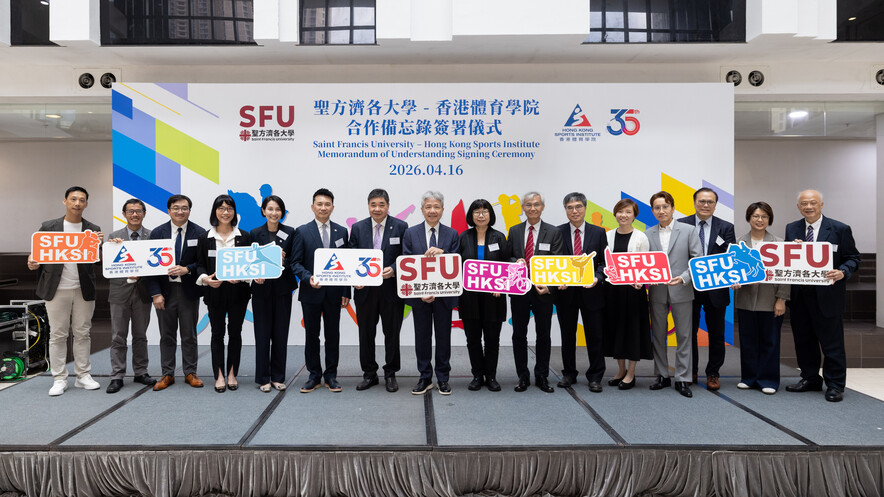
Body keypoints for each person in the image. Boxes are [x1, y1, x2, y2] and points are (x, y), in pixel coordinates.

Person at [784, 190, 860, 402]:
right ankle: (810, 378)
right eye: (804, 203)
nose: (808, 207)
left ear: (821, 205)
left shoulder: (839, 228)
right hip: (800, 296)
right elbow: (788, 259)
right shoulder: (791, 228)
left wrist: (843, 271)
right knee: (804, 341)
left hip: (828, 296)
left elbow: (853, 258)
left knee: (832, 344)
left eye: (813, 203)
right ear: (798, 207)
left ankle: (835, 385)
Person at [28, 186, 103, 396]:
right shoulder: (48, 226)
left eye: (82, 200)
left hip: (83, 289)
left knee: (83, 333)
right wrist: (32, 261)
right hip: (56, 289)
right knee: (57, 335)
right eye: (73, 199)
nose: (77, 203)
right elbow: (37, 254)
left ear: (86, 204)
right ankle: (59, 378)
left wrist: (100, 245)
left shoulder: (93, 229)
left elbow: (98, 261)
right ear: (65, 201)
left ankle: (83, 376)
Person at [291, 188, 351, 393]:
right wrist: (308, 278)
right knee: (312, 336)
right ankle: (314, 375)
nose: (323, 208)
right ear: (312, 207)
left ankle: (331, 375)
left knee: (333, 335)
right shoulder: (302, 231)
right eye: (319, 204)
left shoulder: (342, 231)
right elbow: (295, 262)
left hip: (335, 293)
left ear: (332, 207)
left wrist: (346, 291)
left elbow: (347, 264)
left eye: (327, 204)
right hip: (311, 293)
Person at [349, 188, 408, 393]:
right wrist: (355, 279)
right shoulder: (358, 228)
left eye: (381, 205)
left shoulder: (400, 226)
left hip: (391, 290)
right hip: (365, 291)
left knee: (392, 333)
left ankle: (390, 373)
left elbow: (405, 255)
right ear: (368, 206)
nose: (377, 209)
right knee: (366, 333)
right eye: (373, 205)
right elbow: (351, 257)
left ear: (388, 206)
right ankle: (369, 374)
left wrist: (394, 269)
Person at [402, 191, 460, 395]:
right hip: (421, 297)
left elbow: (457, 261)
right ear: (422, 209)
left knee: (443, 338)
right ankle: (424, 377)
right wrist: (419, 293)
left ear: (443, 210)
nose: (432, 211)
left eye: (436, 207)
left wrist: (444, 253)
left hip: (444, 297)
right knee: (422, 338)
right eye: (428, 207)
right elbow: (406, 264)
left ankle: (443, 378)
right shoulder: (411, 233)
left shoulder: (452, 234)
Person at [645, 191, 702, 398]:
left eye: (665, 207)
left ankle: (683, 378)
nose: (661, 211)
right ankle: (662, 375)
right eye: (657, 207)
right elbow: (643, 262)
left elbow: (697, 259)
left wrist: (685, 278)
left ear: (673, 208)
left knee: (684, 336)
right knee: (658, 336)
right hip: (657, 290)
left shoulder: (689, 230)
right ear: (653, 211)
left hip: (682, 289)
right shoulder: (647, 233)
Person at [678, 187, 736, 390]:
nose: (705, 205)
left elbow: (731, 256)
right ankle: (690, 371)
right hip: (688, 287)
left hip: (716, 289)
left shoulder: (726, 227)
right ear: (694, 202)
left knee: (717, 335)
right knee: (688, 333)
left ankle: (713, 373)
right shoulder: (681, 224)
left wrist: (735, 276)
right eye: (701, 201)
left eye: (710, 202)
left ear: (715, 205)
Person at [147, 194, 206, 391]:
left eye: (184, 208)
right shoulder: (158, 233)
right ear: (169, 210)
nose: (180, 211)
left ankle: (190, 372)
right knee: (167, 335)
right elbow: (149, 266)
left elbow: (203, 262)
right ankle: (167, 373)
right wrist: (155, 293)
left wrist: (187, 269)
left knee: (189, 335)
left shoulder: (200, 233)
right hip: (165, 292)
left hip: (188, 290)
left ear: (189, 210)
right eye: (176, 208)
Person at [506, 191, 563, 393]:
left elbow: (558, 262)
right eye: (528, 205)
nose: (532, 208)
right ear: (523, 207)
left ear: (542, 207)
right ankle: (522, 376)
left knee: (544, 335)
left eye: (536, 204)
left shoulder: (554, 232)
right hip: (520, 290)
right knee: (518, 334)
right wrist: (516, 261)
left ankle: (542, 376)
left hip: (543, 291)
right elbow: (507, 257)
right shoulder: (514, 230)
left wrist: (551, 287)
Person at [195, 195, 252, 393]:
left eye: (229, 208)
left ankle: (232, 373)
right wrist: (206, 279)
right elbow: (200, 264)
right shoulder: (205, 237)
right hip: (215, 292)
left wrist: (242, 277)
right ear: (215, 212)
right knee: (217, 334)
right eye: (221, 208)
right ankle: (219, 375)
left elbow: (250, 264)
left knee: (235, 333)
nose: (225, 212)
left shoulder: (244, 236)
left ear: (234, 212)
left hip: (238, 292)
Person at [733, 202, 789, 395]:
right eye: (756, 216)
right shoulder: (738, 243)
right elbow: (732, 271)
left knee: (770, 341)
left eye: (764, 216)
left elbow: (786, 274)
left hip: (771, 300)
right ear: (749, 218)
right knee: (747, 340)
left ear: (769, 219)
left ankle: (768, 380)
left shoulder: (779, 243)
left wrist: (781, 299)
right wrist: (734, 281)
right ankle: (749, 378)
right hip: (745, 299)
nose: (760, 220)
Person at [555, 192, 608, 392]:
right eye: (570, 208)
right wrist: (557, 280)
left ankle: (595, 376)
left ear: (585, 208)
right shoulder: (557, 232)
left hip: (592, 292)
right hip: (565, 293)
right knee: (567, 335)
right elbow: (553, 262)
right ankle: (569, 373)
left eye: (578, 207)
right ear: (565, 210)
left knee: (595, 336)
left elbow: (604, 262)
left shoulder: (598, 232)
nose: (574, 211)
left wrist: (597, 277)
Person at [106, 198, 156, 394]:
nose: (135, 214)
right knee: (118, 336)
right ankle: (117, 375)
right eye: (131, 211)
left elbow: (157, 265)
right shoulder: (114, 237)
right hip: (119, 292)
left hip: (143, 293)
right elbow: (108, 265)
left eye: (138, 211)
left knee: (140, 335)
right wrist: (112, 248)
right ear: (124, 214)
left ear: (144, 213)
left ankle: (141, 372)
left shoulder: (153, 236)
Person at [457, 199, 508, 392]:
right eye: (476, 212)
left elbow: (507, 264)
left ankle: (491, 376)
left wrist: (501, 285)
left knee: (492, 340)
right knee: (473, 339)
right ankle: (477, 375)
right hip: (469, 298)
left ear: (490, 215)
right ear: (471, 215)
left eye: (484, 211)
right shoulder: (463, 237)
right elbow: (455, 265)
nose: (480, 215)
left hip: (494, 298)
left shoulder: (499, 237)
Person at [250, 195, 298, 393]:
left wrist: (284, 260)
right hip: (261, 291)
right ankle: (263, 378)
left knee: (280, 334)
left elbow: (296, 260)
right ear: (263, 211)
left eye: (278, 209)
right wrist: (255, 274)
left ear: (282, 212)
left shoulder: (291, 232)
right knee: (262, 334)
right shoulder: (254, 233)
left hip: (282, 290)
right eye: (270, 209)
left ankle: (278, 377)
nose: (274, 213)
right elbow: (249, 261)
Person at [603, 198, 652, 390]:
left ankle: (631, 373)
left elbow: (644, 266)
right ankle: (620, 370)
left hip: (633, 292)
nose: (623, 215)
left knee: (632, 331)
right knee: (616, 330)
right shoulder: (607, 235)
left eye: (628, 212)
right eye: (620, 211)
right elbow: (604, 264)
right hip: (612, 291)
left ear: (634, 216)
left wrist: (640, 280)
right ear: (615, 213)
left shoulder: (641, 237)